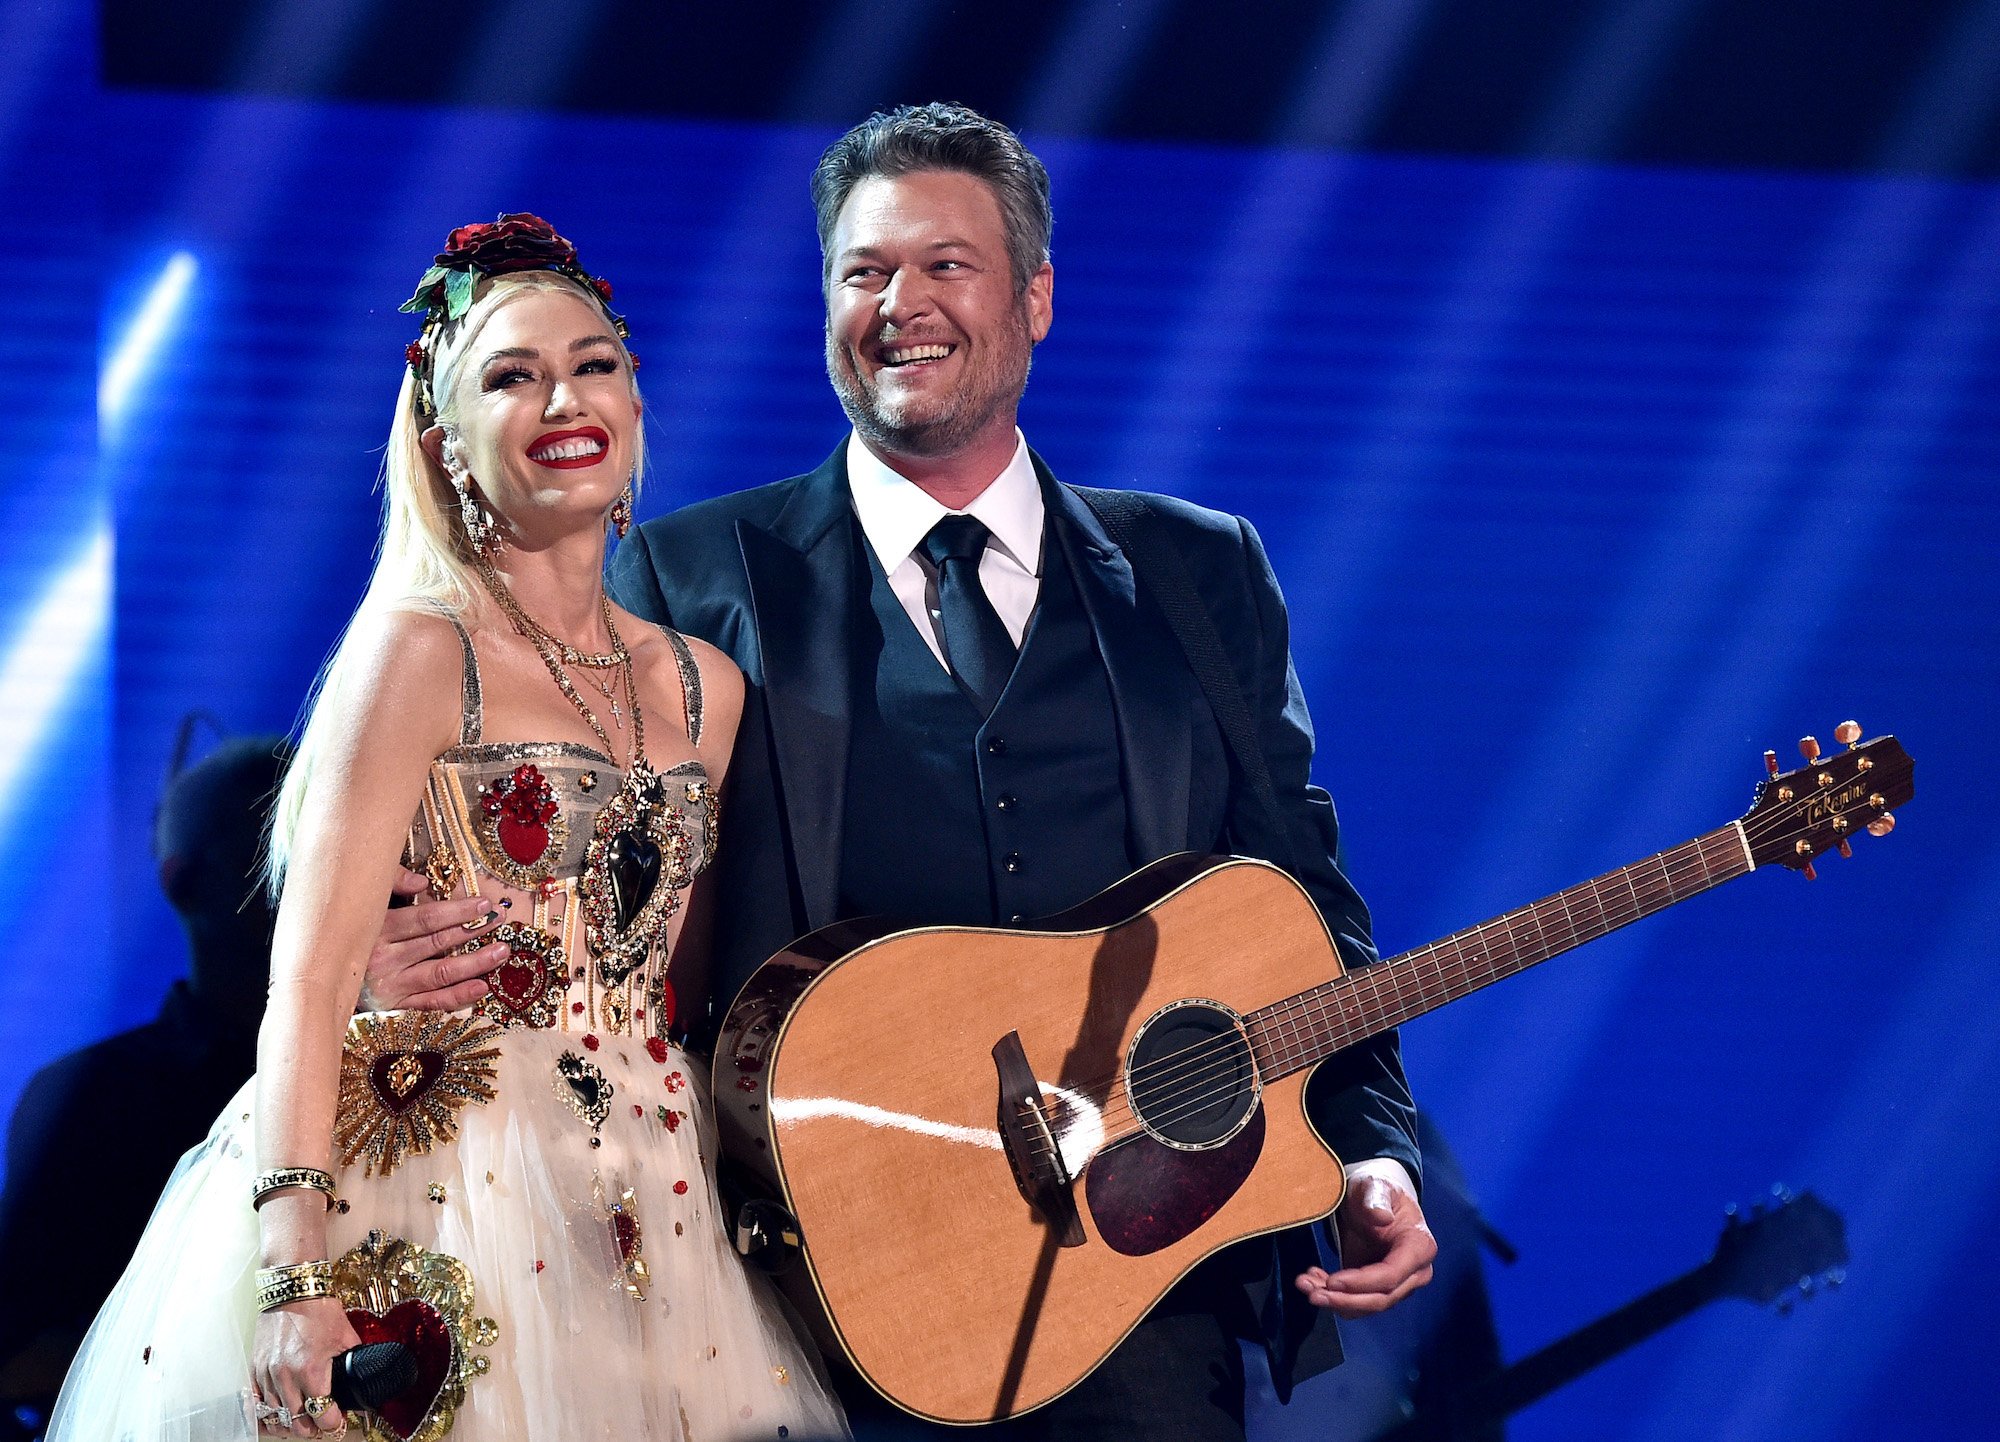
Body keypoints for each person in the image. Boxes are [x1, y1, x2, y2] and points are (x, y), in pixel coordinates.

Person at [372, 106, 1437, 1440]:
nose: (899, 305)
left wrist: (1369, 1144)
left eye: (946, 265)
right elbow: (461, 788)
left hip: (1143, 1304)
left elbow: (1306, 899)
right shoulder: (688, 578)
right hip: (805, 1306)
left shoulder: (1200, 569)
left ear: (1036, 297)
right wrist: (386, 938)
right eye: (863, 271)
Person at [49, 216, 846, 1442]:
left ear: (634, 400)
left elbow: (678, 979)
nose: (562, 399)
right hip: (436, 1171)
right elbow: (308, 980)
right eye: (511, 375)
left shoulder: (706, 688)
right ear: (446, 439)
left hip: (652, 1186)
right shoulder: (421, 648)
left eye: (592, 363)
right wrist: (294, 1268)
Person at [0, 735, 287, 1436]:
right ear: (182, 881)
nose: (299, 875)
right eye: (268, 848)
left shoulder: (399, 1071)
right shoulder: (86, 1096)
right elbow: (17, 1346)